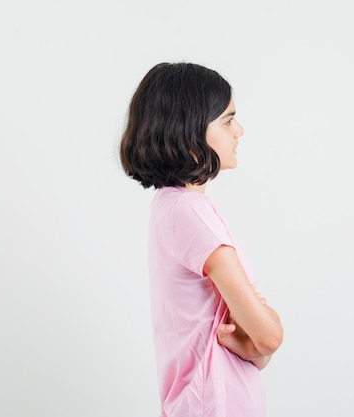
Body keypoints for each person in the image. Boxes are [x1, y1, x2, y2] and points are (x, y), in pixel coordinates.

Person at [119, 62, 283, 417]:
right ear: (189, 130)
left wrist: (254, 344)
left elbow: (257, 351)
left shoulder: (173, 208)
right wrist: (263, 329)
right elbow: (269, 337)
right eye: (227, 120)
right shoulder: (191, 213)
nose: (239, 130)